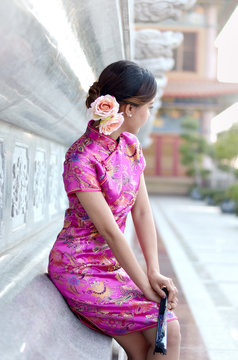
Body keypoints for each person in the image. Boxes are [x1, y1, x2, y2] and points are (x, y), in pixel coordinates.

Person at [48, 60, 181, 360]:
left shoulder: (131, 147)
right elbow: (109, 231)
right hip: (78, 267)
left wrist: (153, 271)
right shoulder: (80, 158)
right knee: (167, 330)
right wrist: (145, 286)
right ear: (129, 109)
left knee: (149, 345)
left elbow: (143, 213)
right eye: (148, 106)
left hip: (110, 265)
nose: (150, 113)